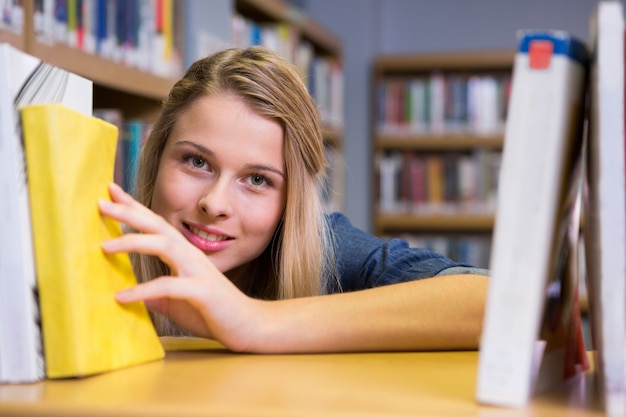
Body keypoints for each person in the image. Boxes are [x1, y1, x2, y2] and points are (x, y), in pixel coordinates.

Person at [98, 45, 489, 354]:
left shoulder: (327, 251)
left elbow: (496, 304)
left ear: (292, 200)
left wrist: (255, 321)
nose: (215, 203)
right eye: (197, 161)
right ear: (156, 157)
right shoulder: (101, 245)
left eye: (256, 179)